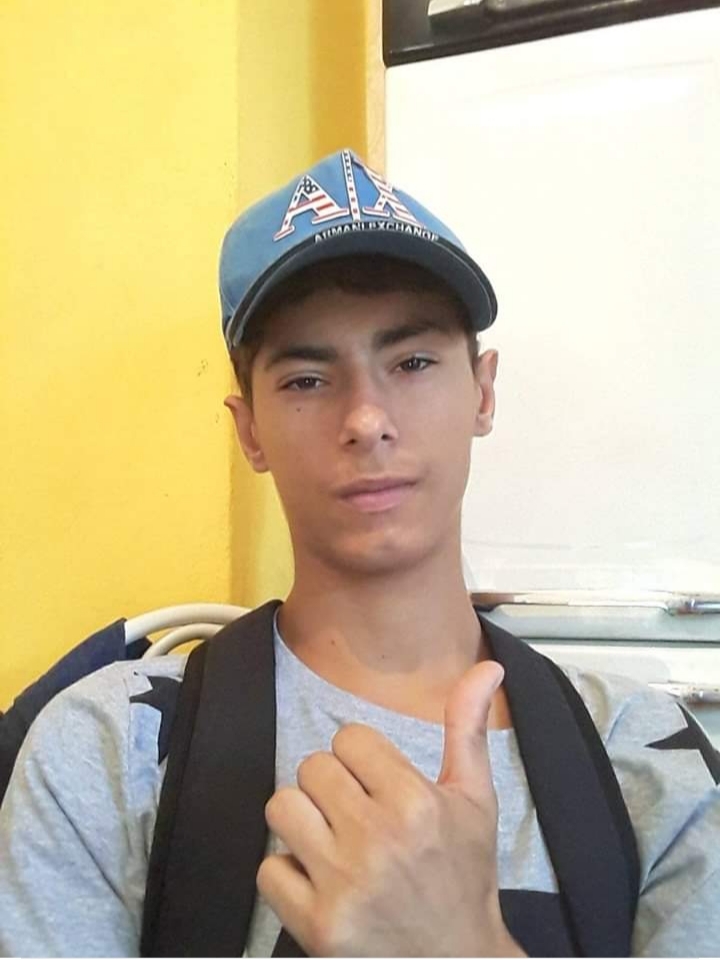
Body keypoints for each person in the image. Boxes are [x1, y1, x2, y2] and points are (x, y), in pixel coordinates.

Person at [1, 149, 719, 957]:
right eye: (307, 380)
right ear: (249, 431)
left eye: (412, 362)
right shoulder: (112, 749)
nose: (367, 419)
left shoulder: (646, 753)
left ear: (483, 392)